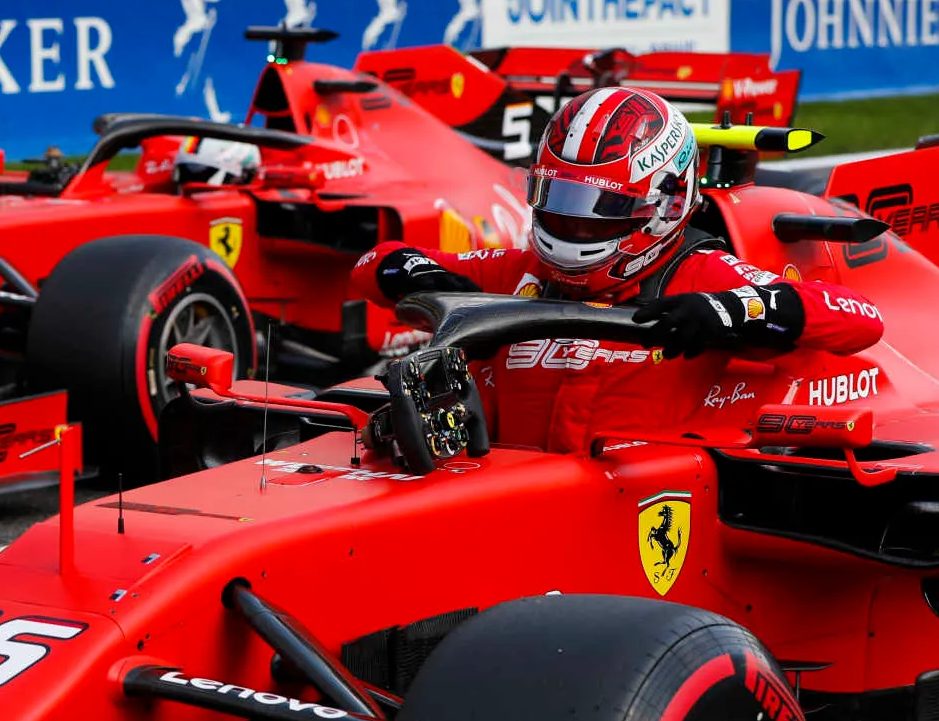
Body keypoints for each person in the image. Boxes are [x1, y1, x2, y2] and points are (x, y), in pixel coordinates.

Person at [350, 86, 885, 454]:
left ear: (666, 205)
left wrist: (725, 311)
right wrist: (421, 278)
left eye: (598, 208)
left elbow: (861, 318)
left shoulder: (700, 276)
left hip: (635, 520)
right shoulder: (520, 272)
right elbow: (374, 262)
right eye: (559, 198)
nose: (573, 223)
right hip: (495, 490)